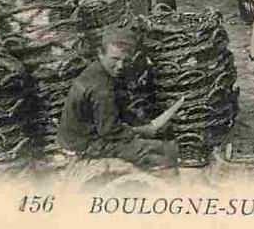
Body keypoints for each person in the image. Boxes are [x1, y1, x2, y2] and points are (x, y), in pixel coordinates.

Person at [58, 29, 182, 169]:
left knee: (156, 144)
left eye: (126, 60)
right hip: (86, 145)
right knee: (165, 150)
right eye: (115, 59)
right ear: (100, 53)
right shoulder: (101, 87)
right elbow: (109, 131)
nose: (120, 66)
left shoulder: (98, 71)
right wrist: (142, 131)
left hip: (81, 138)